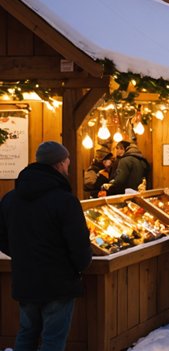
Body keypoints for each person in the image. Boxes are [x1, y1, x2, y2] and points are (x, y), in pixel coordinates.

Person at [0, 141, 92, 351]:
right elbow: (79, 245)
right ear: (59, 164)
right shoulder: (65, 201)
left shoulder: (10, 199)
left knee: (26, 334)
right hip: (59, 283)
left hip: (25, 279)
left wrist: (21, 255)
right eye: (67, 161)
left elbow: (2, 236)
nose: (68, 165)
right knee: (53, 340)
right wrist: (79, 266)